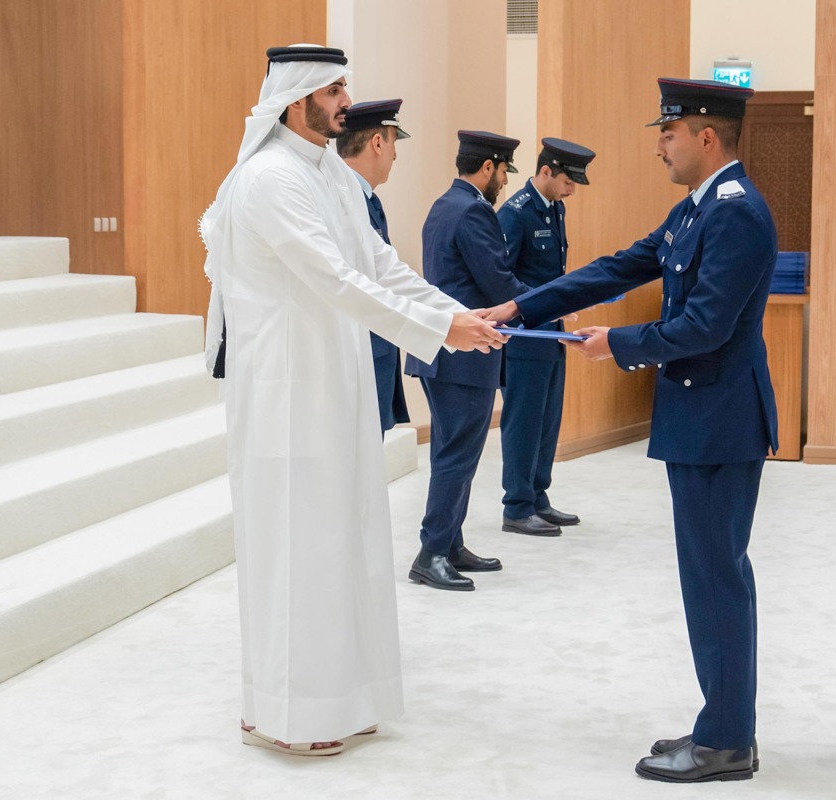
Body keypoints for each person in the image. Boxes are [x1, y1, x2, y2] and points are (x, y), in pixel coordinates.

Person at [200, 45, 506, 756]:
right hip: (286, 393)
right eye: (333, 89)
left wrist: (456, 316)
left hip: (332, 385)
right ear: (295, 96)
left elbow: (379, 267)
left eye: (345, 88)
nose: (344, 101)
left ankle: (344, 698)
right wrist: (441, 327)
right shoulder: (271, 178)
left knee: (345, 543)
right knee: (295, 549)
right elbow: (333, 278)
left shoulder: (329, 173)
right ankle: (286, 715)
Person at [486, 78, 776, 782]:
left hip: (719, 421)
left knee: (715, 578)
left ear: (707, 138)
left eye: (668, 135)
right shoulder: (696, 210)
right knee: (707, 577)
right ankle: (721, 725)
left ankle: (727, 740)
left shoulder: (736, 214)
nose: (658, 147)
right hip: (702, 417)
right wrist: (521, 303)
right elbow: (618, 268)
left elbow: (705, 325)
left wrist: (617, 344)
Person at [403, 131, 531, 591]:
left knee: (450, 453)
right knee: (457, 457)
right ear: (489, 167)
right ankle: (432, 551)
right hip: (463, 356)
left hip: (439, 352)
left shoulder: (444, 204)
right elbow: (498, 282)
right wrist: (553, 302)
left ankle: (450, 542)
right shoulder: (475, 210)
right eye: (502, 171)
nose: (503, 181)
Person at [497, 138, 596, 535]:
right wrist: (540, 307)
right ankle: (517, 506)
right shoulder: (515, 214)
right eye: (568, 180)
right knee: (523, 422)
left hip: (552, 333)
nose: (572, 187)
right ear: (545, 172)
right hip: (524, 336)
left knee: (547, 420)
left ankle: (538, 495)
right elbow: (502, 278)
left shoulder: (555, 209)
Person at [336, 98, 412, 435]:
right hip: (355, 359)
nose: (395, 155)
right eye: (394, 142)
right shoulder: (340, 196)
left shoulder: (368, 198)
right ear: (378, 143)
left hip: (376, 352)